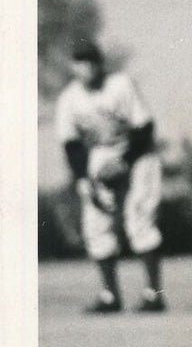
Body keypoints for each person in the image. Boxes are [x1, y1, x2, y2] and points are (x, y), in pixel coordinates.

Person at [54, 39, 166, 313]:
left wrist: (125, 163)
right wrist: (83, 179)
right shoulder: (69, 98)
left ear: (100, 63)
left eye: (91, 61)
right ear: (73, 66)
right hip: (100, 155)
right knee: (95, 224)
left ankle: (154, 295)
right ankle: (109, 297)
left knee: (139, 218)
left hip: (137, 153)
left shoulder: (120, 84)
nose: (87, 67)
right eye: (81, 62)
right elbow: (71, 144)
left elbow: (145, 127)